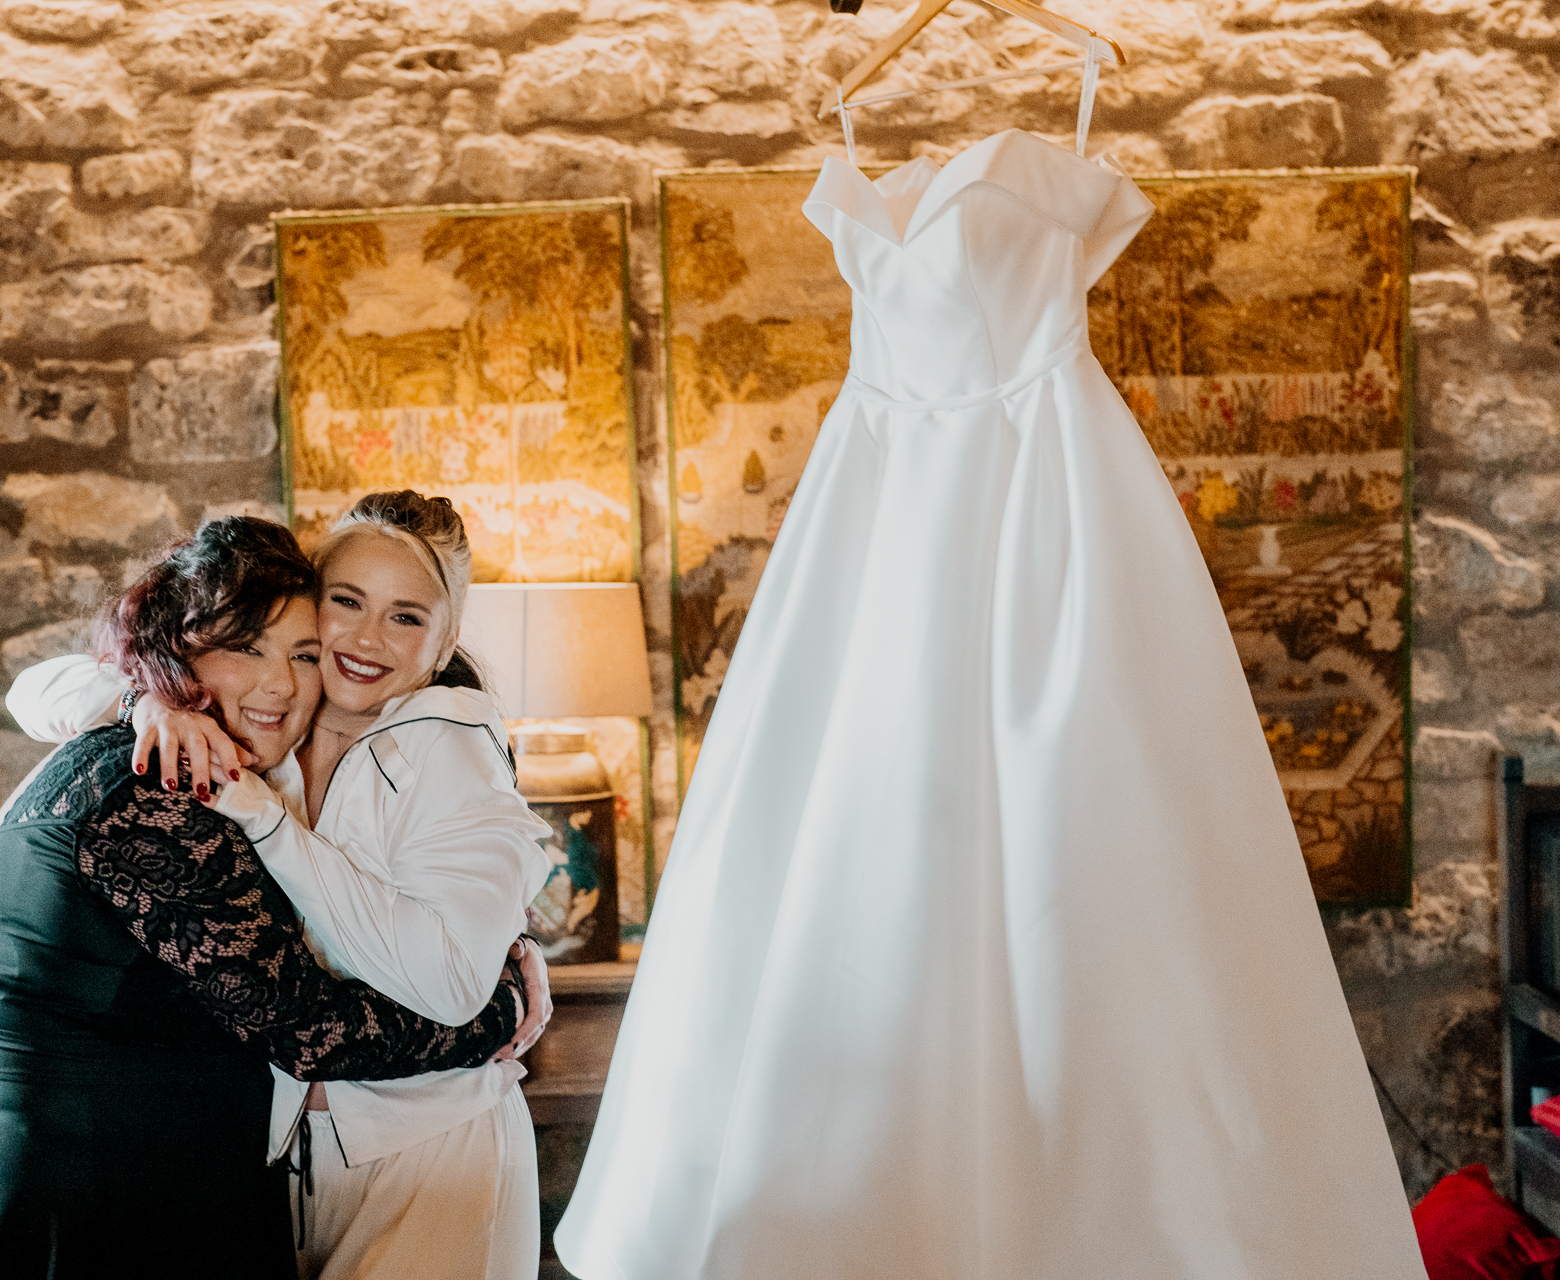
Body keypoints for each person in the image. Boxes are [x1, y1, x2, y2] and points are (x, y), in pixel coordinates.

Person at [555, 125, 1427, 1280]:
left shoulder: (1063, 144)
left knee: (1086, 857)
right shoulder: (877, 159)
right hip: (880, 512)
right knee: (857, 852)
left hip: (1044, 504)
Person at [0, 515, 539, 1280]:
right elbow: (312, 1028)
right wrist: (502, 1013)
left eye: (303, 654)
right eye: (247, 647)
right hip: (95, 1205)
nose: (281, 683)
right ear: (174, 649)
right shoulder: (154, 788)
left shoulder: (186, 762)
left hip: (128, 1184)